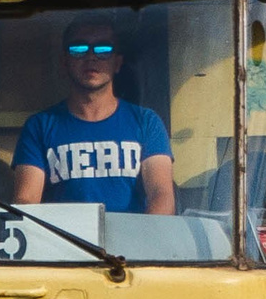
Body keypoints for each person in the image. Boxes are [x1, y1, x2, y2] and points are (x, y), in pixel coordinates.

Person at [11, 15, 176, 215]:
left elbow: (161, 195)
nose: (91, 57)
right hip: (64, 244)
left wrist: (142, 243)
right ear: (64, 62)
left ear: (117, 63)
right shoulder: (39, 126)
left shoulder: (146, 122)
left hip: (132, 243)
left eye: (103, 49)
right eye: (78, 49)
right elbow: (26, 200)